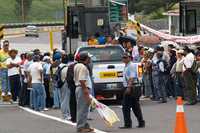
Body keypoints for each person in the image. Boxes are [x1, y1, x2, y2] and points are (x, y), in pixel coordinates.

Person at [119, 52, 145, 129]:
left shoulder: (131, 66)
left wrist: (129, 87)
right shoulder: (127, 66)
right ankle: (141, 122)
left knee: (126, 106)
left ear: (129, 58)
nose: (124, 59)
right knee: (135, 106)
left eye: (126, 57)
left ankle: (128, 124)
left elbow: (132, 77)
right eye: (123, 57)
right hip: (131, 87)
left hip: (131, 88)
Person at [74, 52, 94, 132]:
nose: (90, 59)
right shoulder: (83, 67)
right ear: (85, 59)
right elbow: (82, 80)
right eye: (89, 58)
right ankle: (80, 127)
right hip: (82, 88)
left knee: (83, 108)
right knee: (83, 109)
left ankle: (85, 125)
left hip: (79, 88)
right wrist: (86, 91)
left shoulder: (77, 66)